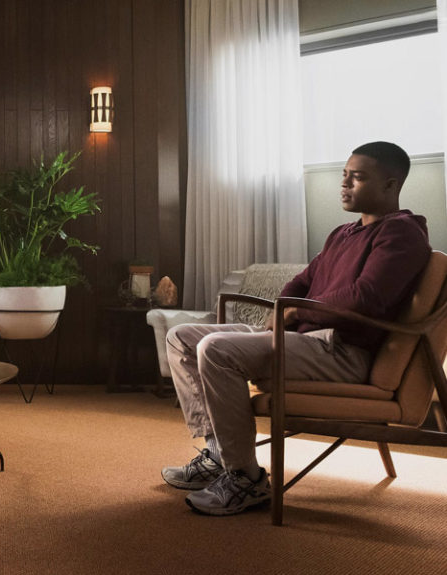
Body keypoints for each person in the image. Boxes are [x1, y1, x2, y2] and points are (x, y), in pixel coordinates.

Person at [161, 141, 431, 515]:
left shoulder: (402, 234)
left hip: (343, 351)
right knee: (182, 338)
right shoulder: (342, 234)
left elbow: (365, 298)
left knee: (217, 349)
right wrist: (282, 309)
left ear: (391, 184)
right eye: (344, 175)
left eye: (357, 177)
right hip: (305, 340)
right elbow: (303, 281)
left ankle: (245, 478)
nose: (344, 184)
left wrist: (294, 313)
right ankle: (218, 455)